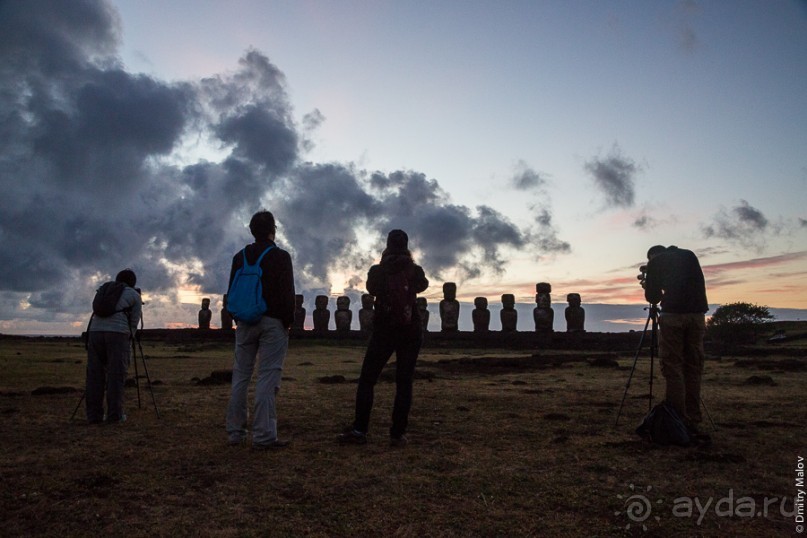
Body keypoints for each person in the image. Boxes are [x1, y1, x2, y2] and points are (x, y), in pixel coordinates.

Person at [339, 230, 429, 447]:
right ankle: (398, 434)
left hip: (384, 328)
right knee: (404, 382)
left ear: (387, 245)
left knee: (368, 380)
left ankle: (360, 429)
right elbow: (423, 285)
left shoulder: (378, 270)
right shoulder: (414, 269)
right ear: (407, 246)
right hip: (410, 328)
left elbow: (372, 288)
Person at [225, 210, 295, 449]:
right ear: (273, 229)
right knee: (267, 377)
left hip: (244, 321)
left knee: (240, 376)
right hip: (272, 321)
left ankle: (235, 432)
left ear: (252, 230)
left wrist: (236, 316)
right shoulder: (280, 256)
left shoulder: (239, 256)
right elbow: (288, 292)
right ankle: (264, 435)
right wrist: (288, 320)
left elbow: (232, 290)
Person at [643, 245, 709, 434]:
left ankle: (677, 418)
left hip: (673, 315)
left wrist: (648, 282)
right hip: (697, 315)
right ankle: (694, 416)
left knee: (672, 366)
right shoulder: (689, 254)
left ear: (652, 256)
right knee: (693, 365)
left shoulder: (656, 261)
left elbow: (653, 297)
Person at [85, 269, 142, 424]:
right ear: (133, 282)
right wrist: (129, 338)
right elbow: (134, 324)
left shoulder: (104, 290)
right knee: (116, 375)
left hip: (95, 332)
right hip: (118, 333)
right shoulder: (134, 295)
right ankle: (114, 415)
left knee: (94, 375)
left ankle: (93, 416)